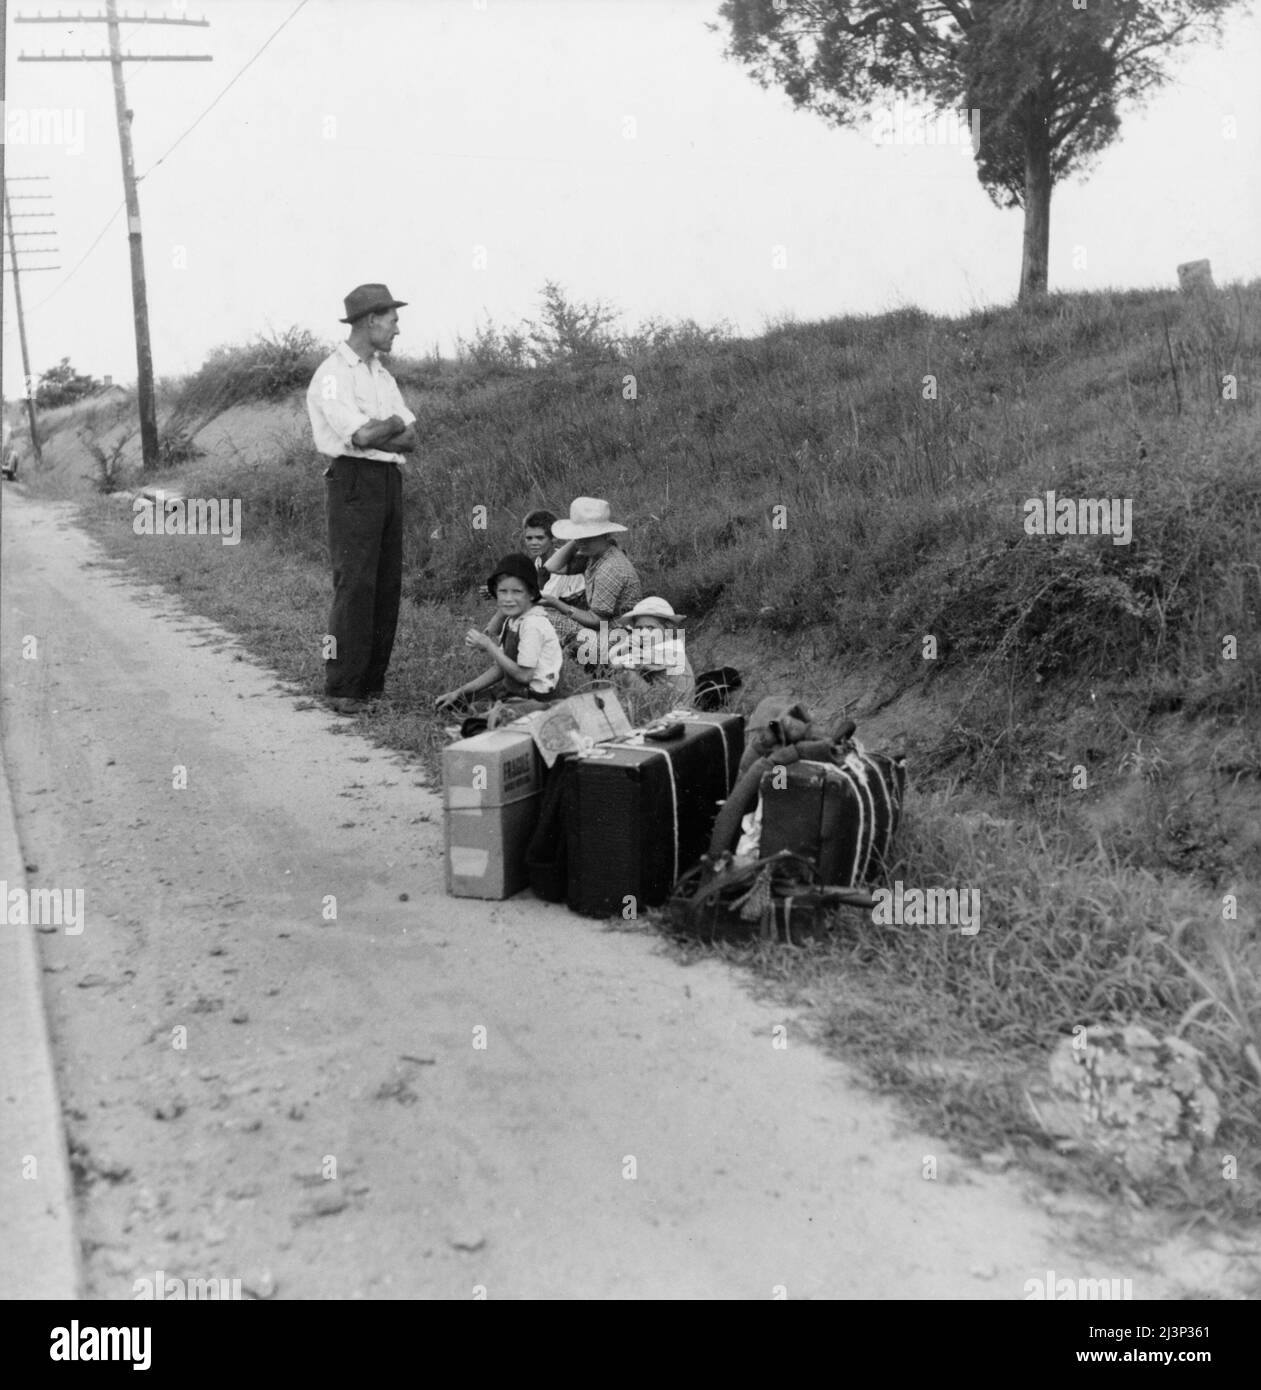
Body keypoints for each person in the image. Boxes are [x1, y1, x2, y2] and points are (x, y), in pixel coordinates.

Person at [306, 283, 418, 714]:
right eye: (392, 321)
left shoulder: (382, 375)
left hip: (388, 479)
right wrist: (388, 425)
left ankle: (372, 684)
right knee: (355, 584)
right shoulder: (333, 375)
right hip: (353, 481)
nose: (397, 331)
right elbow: (363, 434)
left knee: (386, 583)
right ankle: (342, 686)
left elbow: (410, 438)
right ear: (371, 320)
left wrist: (382, 430)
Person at [434, 554, 563, 713]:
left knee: (483, 716)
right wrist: (461, 691)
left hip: (534, 697)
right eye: (503, 591)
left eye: (517, 592)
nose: (509, 599)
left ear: (531, 593)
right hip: (513, 691)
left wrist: (489, 645)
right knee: (458, 702)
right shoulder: (513, 620)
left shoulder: (533, 624)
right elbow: (501, 668)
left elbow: (524, 676)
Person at [539, 496, 642, 677]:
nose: (581, 542)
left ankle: (579, 671)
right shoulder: (597, 554)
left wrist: (556, 603)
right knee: (540, 616)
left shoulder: (610, 568)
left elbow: (597, 621)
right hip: (607, 630)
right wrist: (578, 538)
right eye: (578, 537)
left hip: (618, 638)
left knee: (545, 618)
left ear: (603, 534)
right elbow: (552, 567)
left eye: (587, 536)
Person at [608, 596, 696, 707]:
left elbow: (614, 663)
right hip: (668, 701)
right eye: (639, 628)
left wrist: (625, 647)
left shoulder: (666, 650)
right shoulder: (664, 647)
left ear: (667, 629)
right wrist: (626, 644)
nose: (643, 633)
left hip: (673, 708)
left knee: (625, 675)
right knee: (624, 676)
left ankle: (618, 712)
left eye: (650, 628)